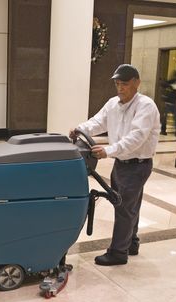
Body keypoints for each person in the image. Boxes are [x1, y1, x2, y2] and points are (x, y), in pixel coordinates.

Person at [69, 64, 160, 266]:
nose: (120, 88)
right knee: (130, 204)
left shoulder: (145, 106)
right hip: (122, 163)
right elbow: (98, 121)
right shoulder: (113, 104)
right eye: (117, 84)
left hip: (138, 164)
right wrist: (80, 129)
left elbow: (137, 137)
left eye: (125, 84)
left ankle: (118, 253)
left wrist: (108, 150)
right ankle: (132, 243)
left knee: (123, 207)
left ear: (136, 83)